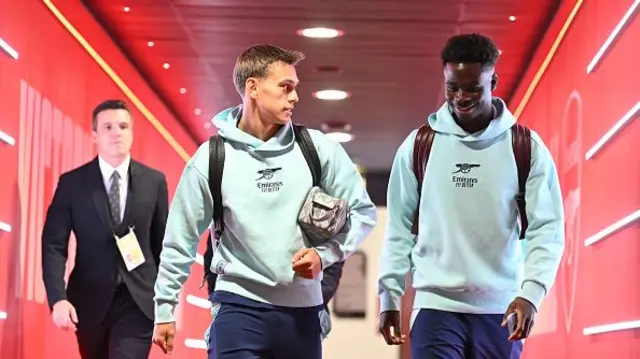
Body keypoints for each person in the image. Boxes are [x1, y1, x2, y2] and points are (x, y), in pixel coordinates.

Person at [152, 44, 377, 359]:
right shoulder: (212, 158)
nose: (295, 96)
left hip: (302, 315)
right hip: (237, 309)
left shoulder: (318, 150)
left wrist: (325, 255)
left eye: (295, 88)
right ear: (253, 88)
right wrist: (165, 307)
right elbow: (180, 239)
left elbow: (363, 214)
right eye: (285, 87)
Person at [377, 33, 565, 358]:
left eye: (473, 88)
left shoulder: (526, 147)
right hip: (435, 308)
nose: (461, 97)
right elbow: (398, 227)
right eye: (453, 88)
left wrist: (531, 294)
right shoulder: (419, 146)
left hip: (501, 310)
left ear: (493, 80)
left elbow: (546, 230)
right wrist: (389, 296)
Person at [41, 99, 169, 359]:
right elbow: (53, 245)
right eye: (108, 126)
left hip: (139, 302)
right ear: (95, 135)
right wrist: (57, 298)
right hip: (89, 302)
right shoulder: (73, 183)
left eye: (123, 126)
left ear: (132, 132)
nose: (116, 132)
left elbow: (163, 247)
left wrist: (166, 304)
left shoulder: (154, 182)